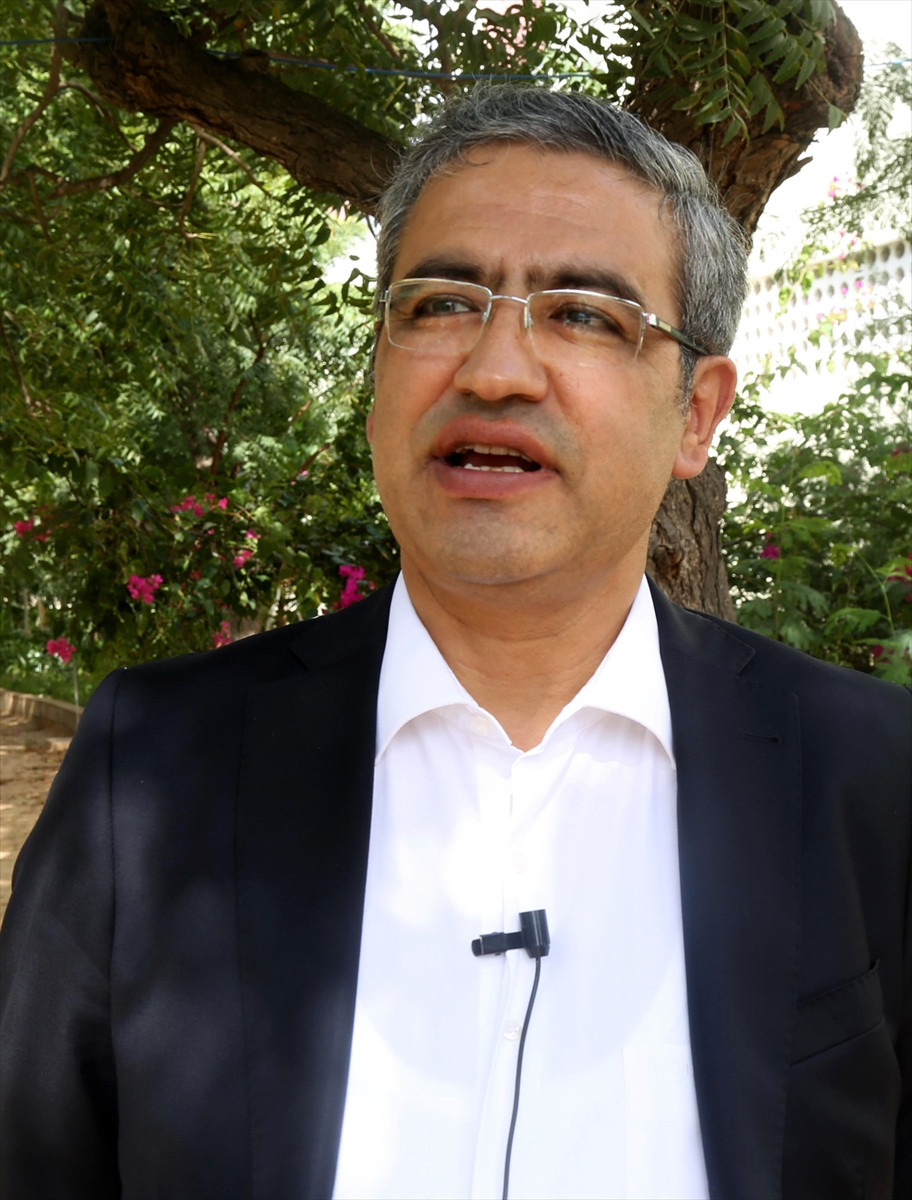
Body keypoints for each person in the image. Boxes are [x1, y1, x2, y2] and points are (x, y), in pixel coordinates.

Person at [1, 86, 909, 1200]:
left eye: (584, 314)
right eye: (439, 303)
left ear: (696, 414)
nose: (494, 370)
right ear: (377, 374)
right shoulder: (155, 764)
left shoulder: (869, 777)